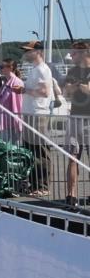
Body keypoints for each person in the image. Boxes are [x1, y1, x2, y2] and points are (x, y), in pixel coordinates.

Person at [13, 41, 53, 196]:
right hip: (30, 113)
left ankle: (42, 185)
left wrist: (24, 89)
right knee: (30, 150)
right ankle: (34, 183)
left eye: (29, 51)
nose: (26, 53)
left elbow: (44, 92)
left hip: (38, 114)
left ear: (38, 52)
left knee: (40, 150)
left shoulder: (43, 70)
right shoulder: (35, 69)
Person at [63, 42, 90, 210]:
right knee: (72, 158)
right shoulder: (72, 71)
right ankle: (71, 195)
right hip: (75, 118)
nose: (72, 56)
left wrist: (79, 86)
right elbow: (66, 91)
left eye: (74, 54)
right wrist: (76, 87)